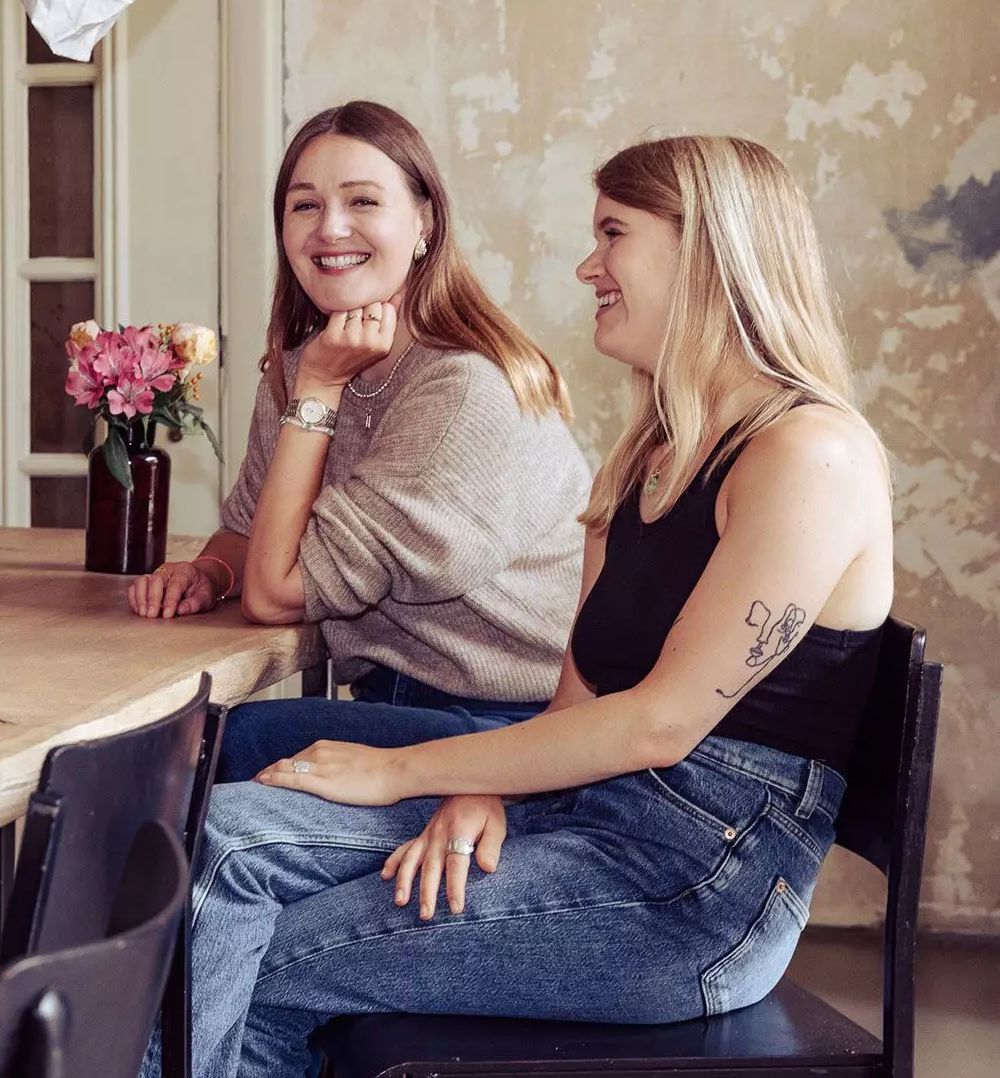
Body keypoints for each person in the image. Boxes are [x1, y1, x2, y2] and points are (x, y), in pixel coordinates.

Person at [170, 134, 892, 1078]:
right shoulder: (651, 453)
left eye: (612, 234)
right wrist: (481, 786)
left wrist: (401, 773)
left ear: (707, 249)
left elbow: (659, 724)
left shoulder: (811, 456)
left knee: (277, 960)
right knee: (225, 840)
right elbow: (578, 708)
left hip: (695, 888)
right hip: (588, 813)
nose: (588, 265)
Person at [127, 102, 587, 779]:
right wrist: (210, 572)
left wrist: (316, 392)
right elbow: (254, 536)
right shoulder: (305, 364)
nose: (329, 229)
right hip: (397, 703)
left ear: (424, 222)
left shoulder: (461, 391)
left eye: (363, 200)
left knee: (181, 756)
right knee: (154, 750)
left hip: (508, 728)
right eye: (304, 206)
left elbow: (276, 593)